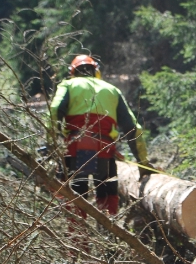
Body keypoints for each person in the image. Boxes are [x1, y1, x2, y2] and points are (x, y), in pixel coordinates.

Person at [49, 55, 151, 216]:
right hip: (104, 151)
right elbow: (133, 128)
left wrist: (53, 142)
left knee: (75, 197)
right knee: (107, 196)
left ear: (73, 72)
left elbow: (55, 110)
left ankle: (77, 232)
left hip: (75, 149)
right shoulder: (112, 89)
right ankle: (109, 227)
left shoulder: (68, 85)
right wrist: (143, 163)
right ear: (96, 71)